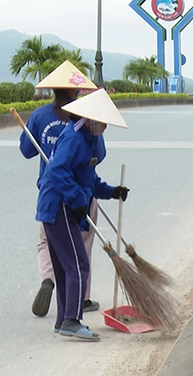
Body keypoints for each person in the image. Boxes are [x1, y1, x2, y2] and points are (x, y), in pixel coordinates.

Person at [36, 88, 129, 341]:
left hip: (66, 205)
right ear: (87, 118)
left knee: (67, 267)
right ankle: (72, 320)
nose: (101, 126)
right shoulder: (73, 138)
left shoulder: (92, 140)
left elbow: (89, 178)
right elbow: (56, 171)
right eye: (98, 121)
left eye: (104, 123)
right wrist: (77, 200)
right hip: (58, 206)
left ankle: (61, 320)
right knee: (78, 264)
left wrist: (112, 192)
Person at [19, 61, 102, 318]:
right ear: (76, 92)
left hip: (49, 192)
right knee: (81, 245)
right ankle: (82, 299)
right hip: (79, 193)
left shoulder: (40, 116)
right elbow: (98, 154)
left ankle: (48, 278)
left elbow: (26, 150)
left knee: (47, 241)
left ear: (53, 90)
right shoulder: (85, 118)